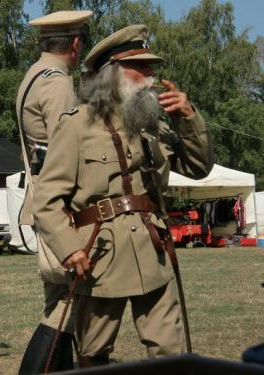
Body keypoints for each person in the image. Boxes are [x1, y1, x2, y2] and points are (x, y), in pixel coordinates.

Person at [33, 25, 213, 366]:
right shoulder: (77, 124)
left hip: (153, 251)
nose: (151, 75)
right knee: (93, 353)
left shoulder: (152, 125)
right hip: (100, 258)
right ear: (111, 73)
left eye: (152, 67)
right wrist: (69, 249)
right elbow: (46, 201)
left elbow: (198, 168)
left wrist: (188, 119)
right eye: (141, 67)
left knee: (169, 352)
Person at [15, 10, 93, 374]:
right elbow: (67, 150)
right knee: (69, 298)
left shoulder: (35, 75)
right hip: (58, 205)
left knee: (58, 301)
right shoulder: (58, 84)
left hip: (42, 197)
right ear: (75, 45)